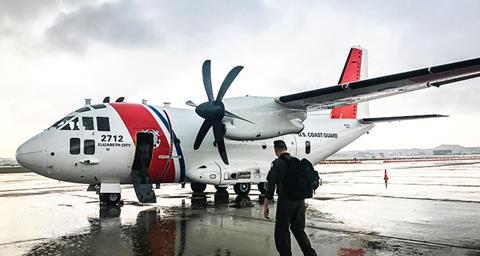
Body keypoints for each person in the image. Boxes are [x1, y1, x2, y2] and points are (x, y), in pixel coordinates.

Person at [263, 140, 317, 256]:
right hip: (300, 202)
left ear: (276, 150)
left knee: (282, 232)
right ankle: (311, 254)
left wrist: (266, 205)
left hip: (286, 202)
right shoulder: (296, 162)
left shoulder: (277, 164)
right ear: (286, 148)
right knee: (299, 230)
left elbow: (271, 185)